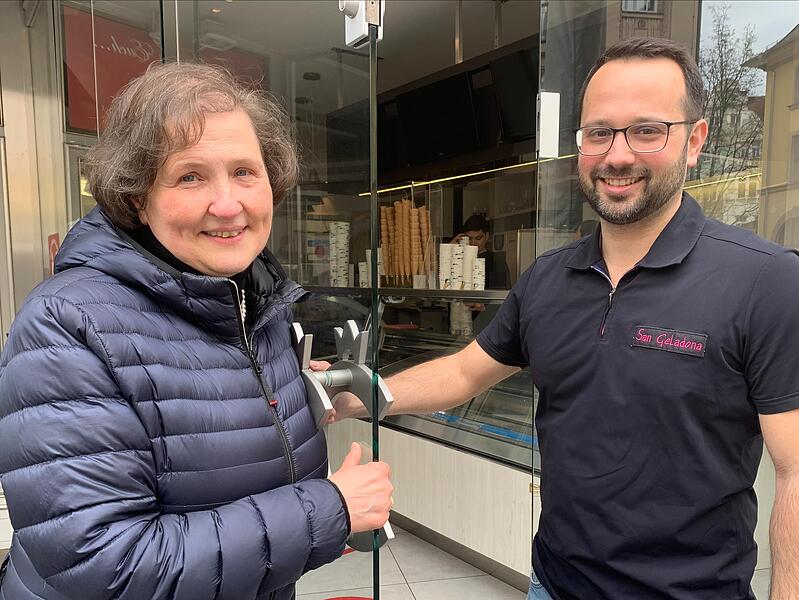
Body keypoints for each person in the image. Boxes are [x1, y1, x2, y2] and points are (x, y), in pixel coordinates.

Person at [322, 38, 799, 599]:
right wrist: (353, 396)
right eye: (599, 132)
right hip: (552, 584)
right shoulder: (548, 278)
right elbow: (464, 375)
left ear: (694, 141)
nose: (617, 156)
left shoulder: (765, 279)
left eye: (648, 131)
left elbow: (793, 471)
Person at [0, 62, 392, 600]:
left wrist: (296, 395)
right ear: (138, 197)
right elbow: (101, 564)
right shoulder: (67, 325)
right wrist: (333, 508)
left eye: (245, 172)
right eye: (190, 176)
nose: (228, 204)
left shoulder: (251, 301)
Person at [453, 214, 510, 289]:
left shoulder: (495, 260)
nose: (473, 243)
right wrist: (452, 250)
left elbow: (499, 292)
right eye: (469, 238)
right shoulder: (459, 260)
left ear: (486, 236)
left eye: (478, 238)